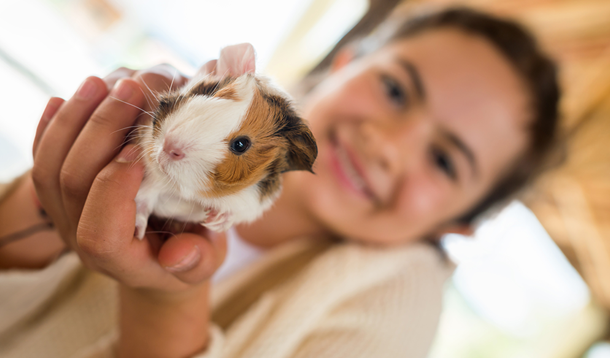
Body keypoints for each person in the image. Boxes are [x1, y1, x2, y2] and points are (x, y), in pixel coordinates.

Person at [0, 6, 559, 358]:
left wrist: (166, 305)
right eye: (394, 90)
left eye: (444, 161)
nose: (386, 143)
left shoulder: (394, 308)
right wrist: (46, 202)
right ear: (344, 64)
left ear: (455, 225)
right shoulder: (213, 98)